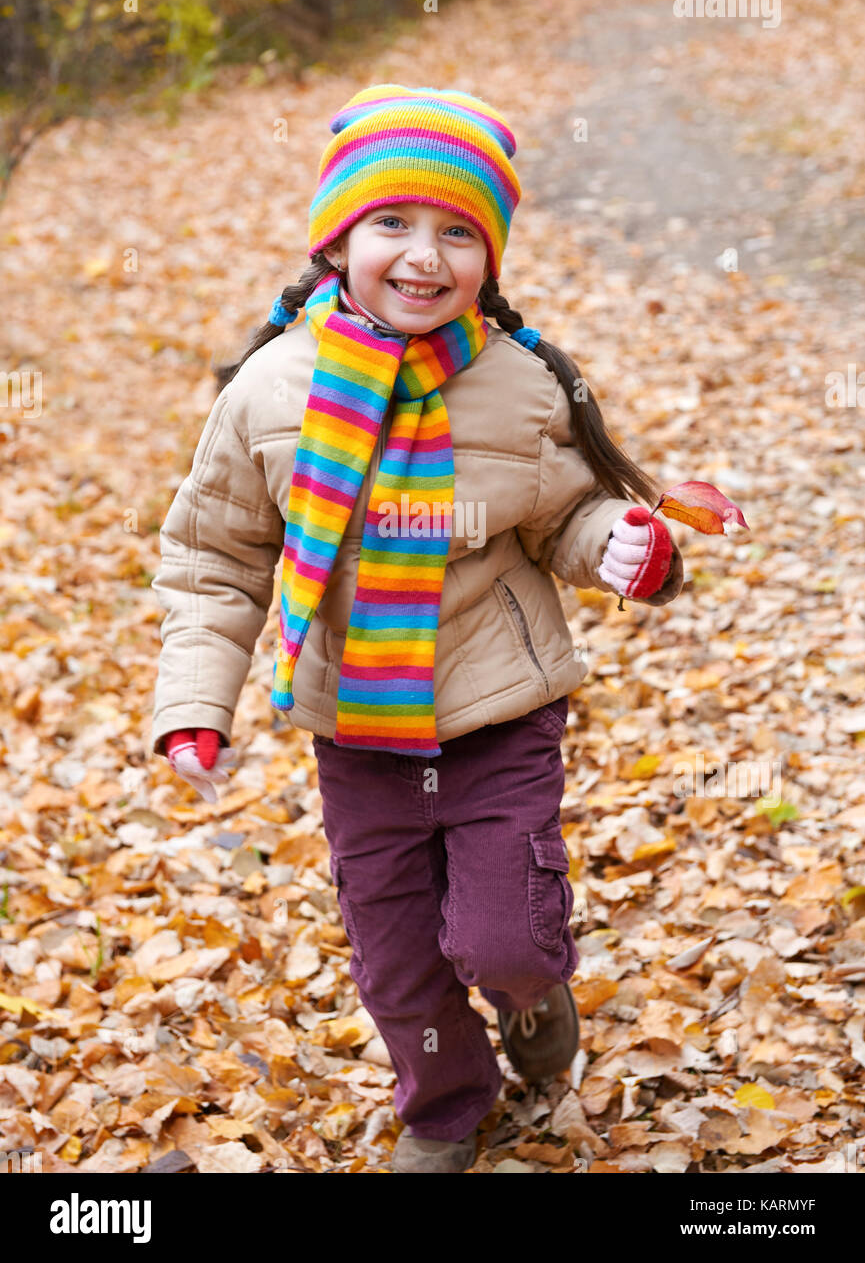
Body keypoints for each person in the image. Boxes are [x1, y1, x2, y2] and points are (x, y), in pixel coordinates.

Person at [150, 84, 684, 1173]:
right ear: (337, 239)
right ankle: (445, 1105)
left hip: (495, 715)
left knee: (504, 937)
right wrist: (194, 704)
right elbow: (217, 559)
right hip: (356, 730)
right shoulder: (267, 396)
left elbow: (568, 513)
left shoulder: (519, 387)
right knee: (395, 960)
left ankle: (533, 996)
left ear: (490, 260)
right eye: (392, 223)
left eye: (458, 233)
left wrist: (618, 545)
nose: (423, 257)